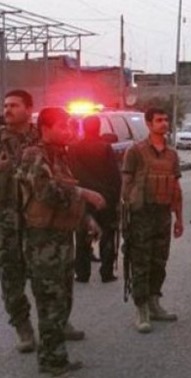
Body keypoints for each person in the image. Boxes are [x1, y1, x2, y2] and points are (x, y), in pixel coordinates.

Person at [16, 107, 105, 375]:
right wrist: (83, 192)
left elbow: (64, 199)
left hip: (61, 239)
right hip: (43, 244)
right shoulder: (35, 154)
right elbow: (46, 193)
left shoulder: (58, 156)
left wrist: (86, 221)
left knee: (62, 299)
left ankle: (54, 355)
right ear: (47, 127)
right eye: (64, 124)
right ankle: (52, 361)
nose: (70, 129)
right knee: (51, 303)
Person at [121, 108, 184, 333]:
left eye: (166, 119)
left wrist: (179, 218)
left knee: (159, 261)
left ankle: (155, 302)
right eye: (159, 120)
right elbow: (126, 186)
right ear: (148, 124)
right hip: (141, 215)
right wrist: (125, 216)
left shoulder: (172, 154)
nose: (164, 123)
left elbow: (176, 188)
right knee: (140, 262)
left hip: (163, 214)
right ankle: (142, 309)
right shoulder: (135, 151)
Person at [0, 90, 39, 353]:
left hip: (40, 218)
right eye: (5, 105)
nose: (7, 109)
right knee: (12, 278)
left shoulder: (44, 136)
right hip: (7, 221)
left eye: (14, 105)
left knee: (51, 276)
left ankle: (57, 322)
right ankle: (23, 327)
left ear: (29, 108)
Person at [68, 115, 122, 283]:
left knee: (82, 235)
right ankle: (106, 272)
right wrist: (115, 198)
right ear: (99, 128)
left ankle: (82, 273)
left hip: (82, 198)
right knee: (108, 234)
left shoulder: (74, 148)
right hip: (106, 198)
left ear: (83, 127)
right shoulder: (105, 148)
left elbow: (71, 173)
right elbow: (115, 175)